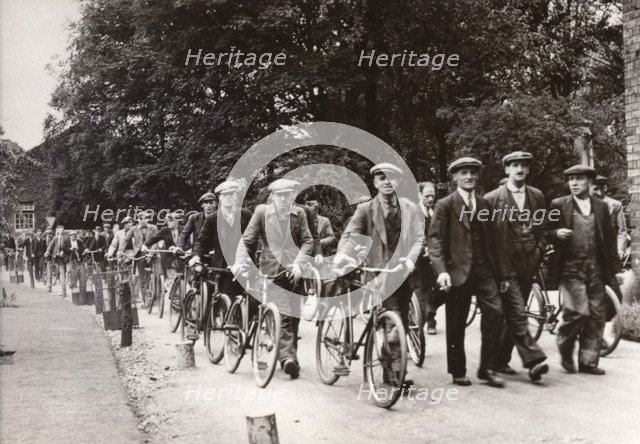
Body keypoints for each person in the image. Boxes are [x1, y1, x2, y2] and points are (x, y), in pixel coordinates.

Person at [334, 163, 422, 387]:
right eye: (381, 178)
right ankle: (396, 371)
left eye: (391, 178)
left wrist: (410, 259)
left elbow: (418, 237)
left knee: (398, 319)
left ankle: (390, 369)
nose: (387, 182)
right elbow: (353, 235)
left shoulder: (410, 208)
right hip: (376, 275)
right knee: (393, 324)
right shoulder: (366, 209)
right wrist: (343, 256)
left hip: (401, 273)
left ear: (399, 182)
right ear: (375, 182)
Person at [427, 157, 506, 387]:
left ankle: (488, 368)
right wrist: (441, 270)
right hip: (456, 272)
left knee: (496, 312)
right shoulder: (445, 205)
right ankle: (458, 370)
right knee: (456, 322)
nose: (469, 176)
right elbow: (435, 241)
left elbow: (494, 241)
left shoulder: (484, 204)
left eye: (472, 172)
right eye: (463, 173)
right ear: (455, 177)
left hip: (484, 271)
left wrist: (501, 274)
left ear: (477, 175)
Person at [232, 178, 314, 380]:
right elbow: (248, 240)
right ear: (272, 197)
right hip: (271, 270)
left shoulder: (300, 214)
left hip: (295, 272)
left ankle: (289, 355)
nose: (284, 199)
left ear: (293, 196)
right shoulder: (262, 213)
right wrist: (241, 263)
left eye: (288, 195)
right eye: (280, 196)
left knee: (294, 316)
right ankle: (288, 359)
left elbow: (308, 241)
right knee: (284, 313)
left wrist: (298, 263)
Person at [548, 165, 622, 375]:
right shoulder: (559, 205)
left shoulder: (600, 207)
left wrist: (616, 269)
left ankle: (588, 361)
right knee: (579, 311)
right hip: (571, 268)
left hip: (596, 268)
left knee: (597, 315)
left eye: (579, 179)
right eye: (570, 179)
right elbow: (544, 230)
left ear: (590, 182)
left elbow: (609, 240)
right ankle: (565, 345)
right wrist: (556, 233)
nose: (573, 183)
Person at [484, 151, 549, 381]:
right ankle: (534, 360)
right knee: (518, 311)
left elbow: (542, 229)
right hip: (504, 265)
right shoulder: (492, 199)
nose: (519, 169)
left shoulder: (537, 196)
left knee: (512, 313)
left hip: (528, 263)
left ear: (528, 169)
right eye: (514, 165)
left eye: (523, 165)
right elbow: (487, 237)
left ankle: (500, 361)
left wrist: (539, 250)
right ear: (506, 170)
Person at [192, 180, 252, 297]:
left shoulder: (246, 215)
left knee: (252, 302)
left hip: (244, 264)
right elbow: (201, 240)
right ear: (220, 198)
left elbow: (253, 238)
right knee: (227, 298)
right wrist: (196, 255)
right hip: (223, 266)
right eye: (225, 195)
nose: (228, 197)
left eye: (231, 194)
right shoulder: (212, 219)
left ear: (236, 196)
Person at [411, 181, 443, 335]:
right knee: (420, 298)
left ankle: (430, 313)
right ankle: (415, 333)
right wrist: (425, 248)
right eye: (427, 196)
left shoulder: (435, 211)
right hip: (420, 262)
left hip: (435, 259)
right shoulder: (414, 212)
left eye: (433, 195)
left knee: (445, 289)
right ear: (419, 195)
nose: (431, 199)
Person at [119, 211, 158, 305]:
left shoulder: (153, 228)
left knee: (156, 275)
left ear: (148, 219)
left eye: (146, 218)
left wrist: (152, 252)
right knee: (142, 278)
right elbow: (125, 240)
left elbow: (156, 241)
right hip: (140, 255)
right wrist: (120, 251)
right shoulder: (134, 228)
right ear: (138, 219)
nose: (143, 220)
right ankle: (145, 300)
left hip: (153, 253)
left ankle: (156, 298)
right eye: (141, 219)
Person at [590, 175, 628, 259]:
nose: (599, 193)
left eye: (602, 189)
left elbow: (622, 231)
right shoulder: (583, 205)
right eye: (595, 189)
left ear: (605, 188)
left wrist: (620, 249)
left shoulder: (616, 205)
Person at [45, 224, 70, 297]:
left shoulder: (66, 238)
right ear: (57, 230)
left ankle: (63, 292)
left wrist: (64, 252)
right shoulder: (55, 238)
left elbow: (69, 248)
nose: (61, 230)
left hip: (63, 258)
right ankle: (49, 287)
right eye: (60, 229)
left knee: (62, 274)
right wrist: (47, 252)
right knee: (52, 271)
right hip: (55, 257)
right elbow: (50, 246)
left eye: (62, 229)